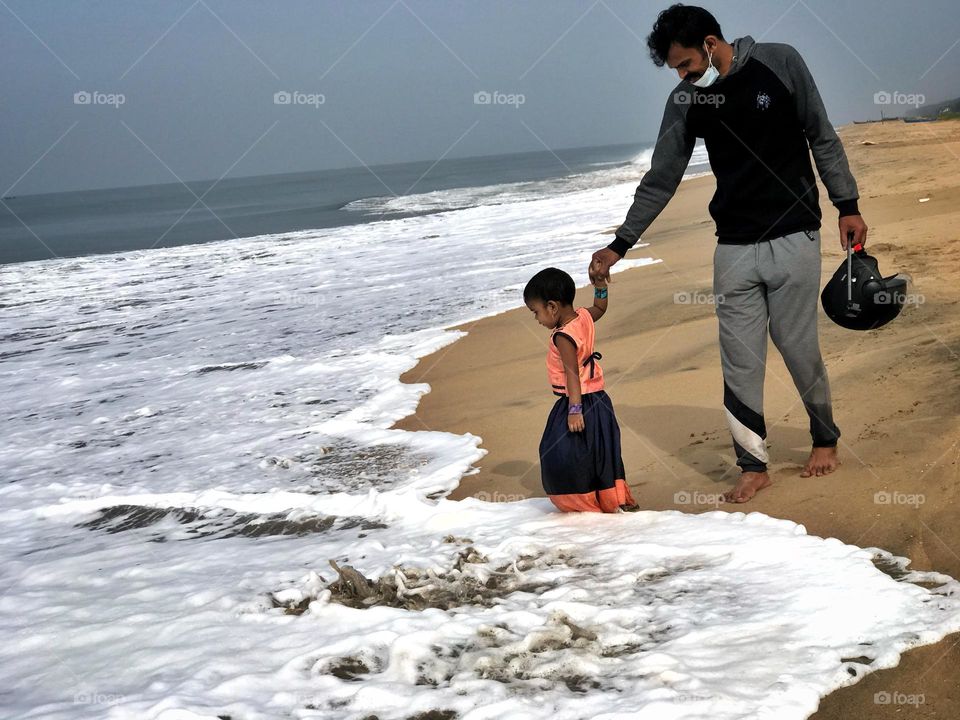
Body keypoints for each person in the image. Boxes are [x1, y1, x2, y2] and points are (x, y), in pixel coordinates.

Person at [589, 4, 869, 503]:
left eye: (685, 64)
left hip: (794, 236)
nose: (680, 75)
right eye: (675, 68)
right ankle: (752, 464)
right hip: (733, 247)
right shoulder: (685, 100)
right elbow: (662, 177)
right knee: (739, 360)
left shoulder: (780, 63)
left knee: (798, 348)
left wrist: (847, 205)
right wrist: (619, 245)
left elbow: (821, 136)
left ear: (711, 44)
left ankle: (824, 437)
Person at [523, 266, 639, 513]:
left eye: (536, 312)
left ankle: (583, 502)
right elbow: (600, 308)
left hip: (579, 402)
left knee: (562, 453)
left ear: (552, 307)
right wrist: (600, 286)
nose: (537, 319)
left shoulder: (563, 336)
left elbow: (572, 374)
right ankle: (610, 499)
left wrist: (574, 409)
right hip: (599, 400)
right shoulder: (583, 317)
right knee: (600, 451)